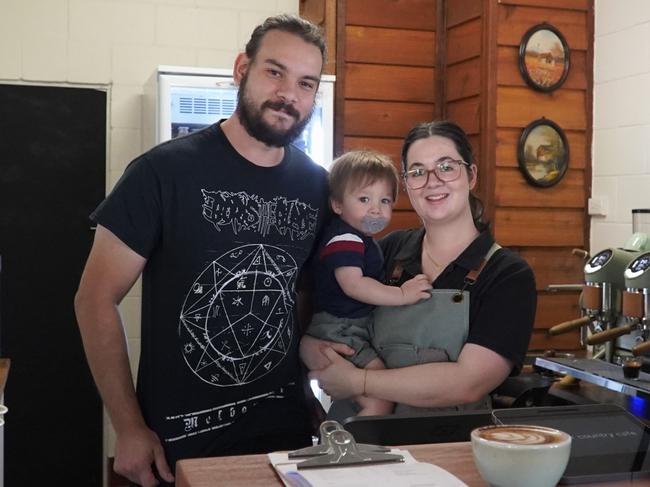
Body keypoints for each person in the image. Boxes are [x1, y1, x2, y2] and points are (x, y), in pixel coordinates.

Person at [74, 14, 330, 487]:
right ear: (241, 69)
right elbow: (93, 299)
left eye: (306, 82)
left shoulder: (317, 185)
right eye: (274, 71)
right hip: (175, 453)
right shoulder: (161, 172)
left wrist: (314, 392)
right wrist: (127, 426)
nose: (289, 93)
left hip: (284, 446)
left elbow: (301, 299)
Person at [302, 121, 536, 418]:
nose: (432, 181)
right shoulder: (384, 251)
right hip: (356, 443)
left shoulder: (507, 274)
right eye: (417, 172)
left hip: (447, 450)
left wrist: (358, 381)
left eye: (446, 167)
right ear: (407, 185)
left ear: (471, 175)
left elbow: (469, 383)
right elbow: (328, 316)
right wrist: (310, 346)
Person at [304, 150, 431, 416]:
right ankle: (354, 451)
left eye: (385, 200)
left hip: (347, 326)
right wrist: (402, 294)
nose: (376, 208)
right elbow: (354, 284)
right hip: (341, 329)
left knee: (368, 394)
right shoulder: (346, 240)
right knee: (379, 398)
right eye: (364, 199)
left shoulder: (358, 238)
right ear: (337, 205)